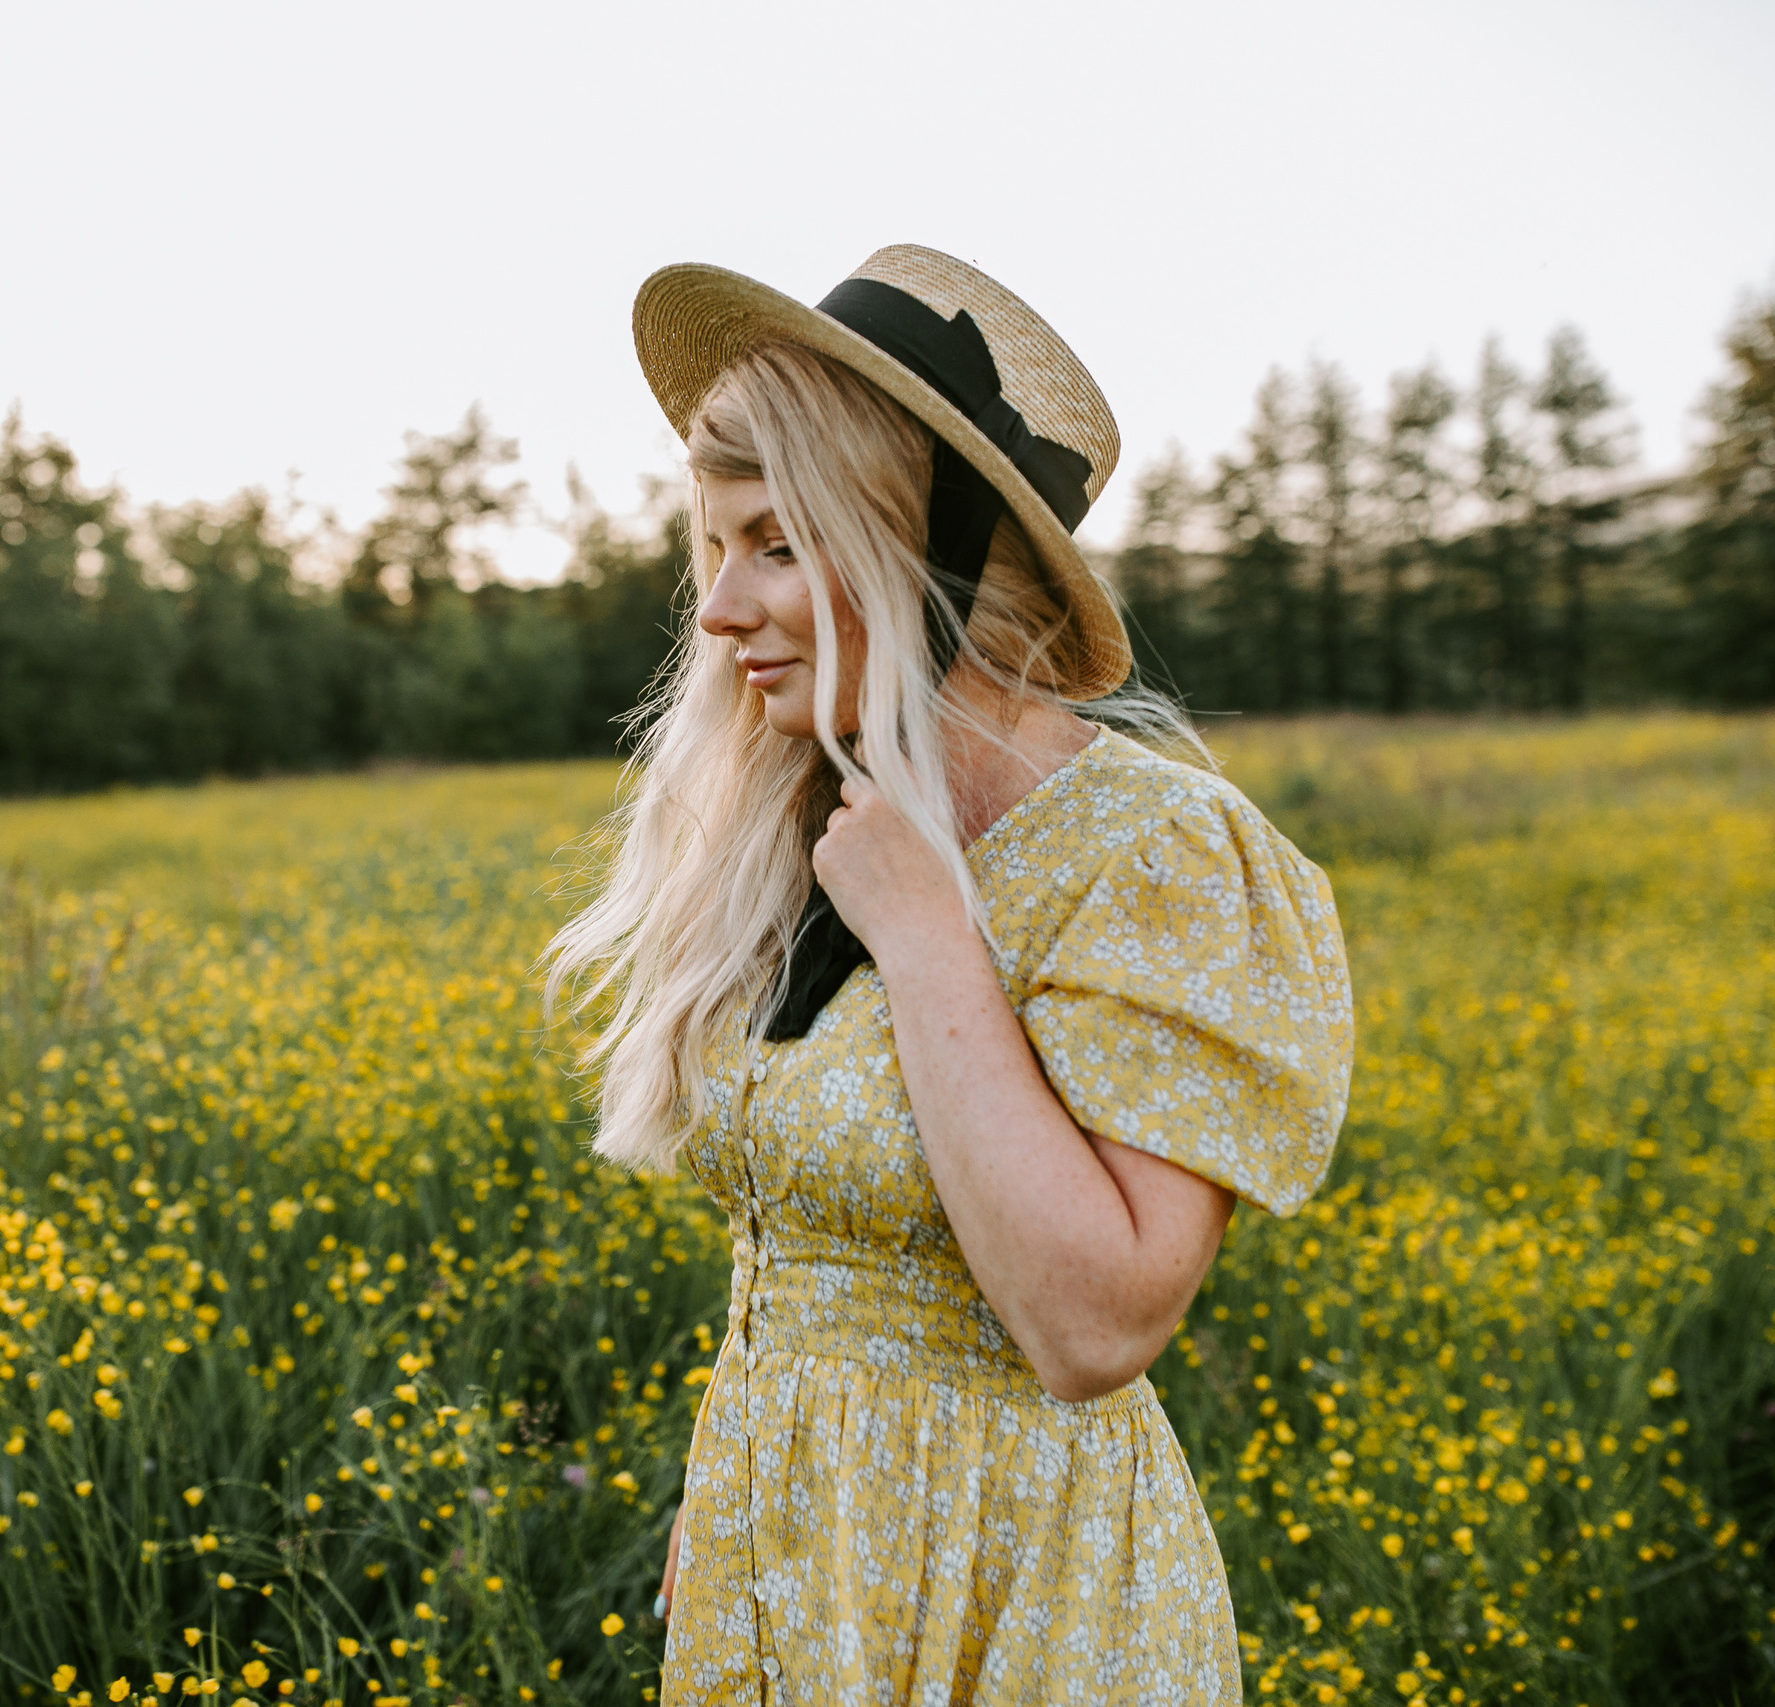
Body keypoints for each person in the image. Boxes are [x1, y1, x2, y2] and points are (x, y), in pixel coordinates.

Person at [548, 245, 1354, 1706]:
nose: (719, 611)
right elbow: (787, 1260)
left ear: (928, 563)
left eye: (778, 546)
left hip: (1028, 1587)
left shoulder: (1156, 854)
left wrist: (930, 942)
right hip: (785, 1562)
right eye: (714, 549)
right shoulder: (798, 817)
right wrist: (729, 1495)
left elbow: (1095, 1326)